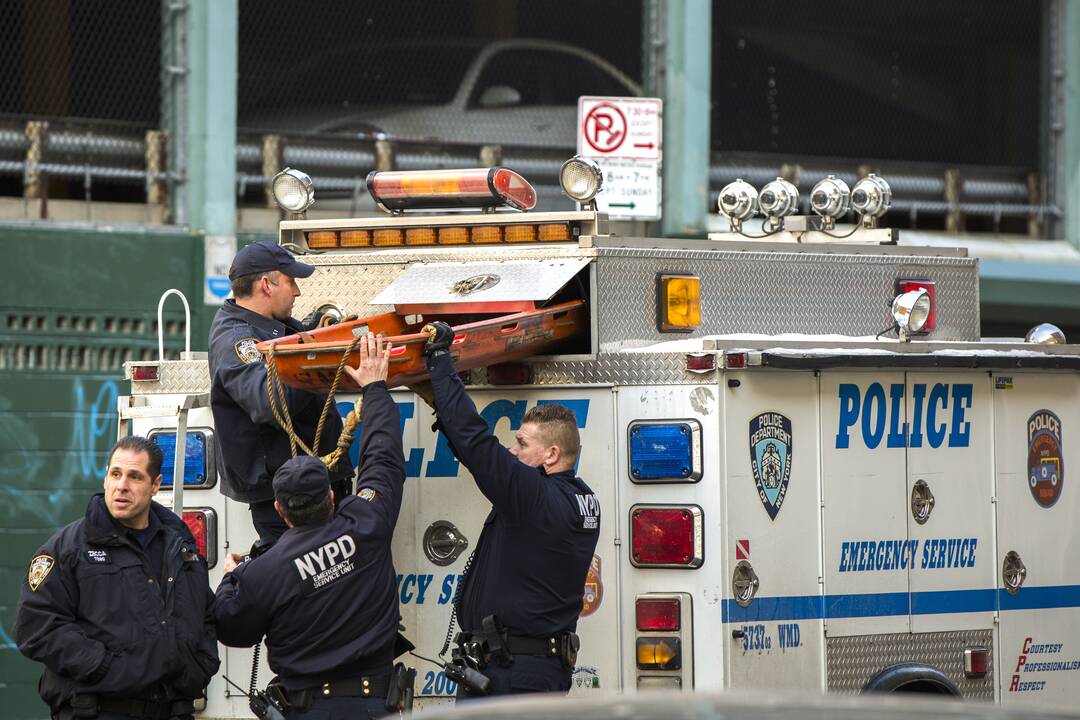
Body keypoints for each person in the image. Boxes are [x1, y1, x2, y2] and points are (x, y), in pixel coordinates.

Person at [213, 334, 408, 720]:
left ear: (280, 510)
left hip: (308, 708)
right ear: (332, 497)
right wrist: (375, 388)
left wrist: (232, 580)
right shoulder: (365, 522)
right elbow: (383, 460)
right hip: (377, 705)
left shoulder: (264, 572)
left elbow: (232, 630)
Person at [420, 321, 601, 698]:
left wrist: (440, 362)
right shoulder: (579, 498)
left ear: (551, 454)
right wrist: (441, 405)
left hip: (514, 674)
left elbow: (479, 447)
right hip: (527, 670)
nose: (513, 450)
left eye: (521, 442)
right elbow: (482, 457)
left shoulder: (534, 499)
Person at [15, 436, 219, 720]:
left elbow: (203, 615)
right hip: (98, 710)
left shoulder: (179, 547)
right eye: (115, 474)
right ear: (105, 479)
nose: (122, 486)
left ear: (156, 485)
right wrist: (108, 667)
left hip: (171, 710)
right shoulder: (68, 548)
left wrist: (197, 666)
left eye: (135, 477)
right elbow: (37, 628)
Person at [208, 241, 354, 541]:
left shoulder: (276, 324)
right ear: (266, 285)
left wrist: (319, 337)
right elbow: (268, 401)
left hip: (314, 487)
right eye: (291, 282)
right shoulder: (235, 339)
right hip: (290, 502)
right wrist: (321, 362)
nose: (298, 292)